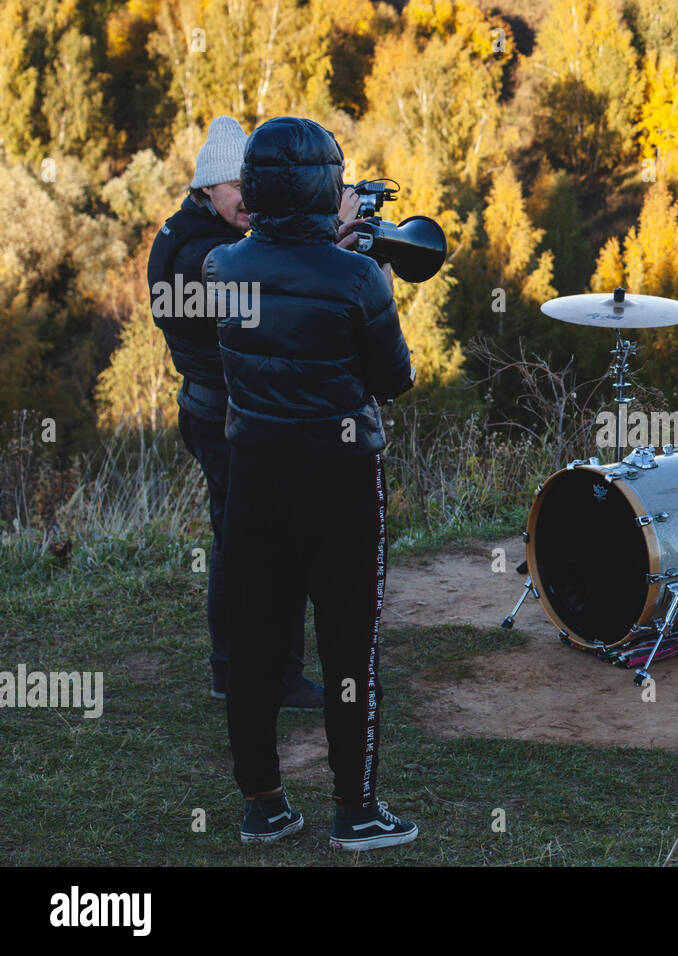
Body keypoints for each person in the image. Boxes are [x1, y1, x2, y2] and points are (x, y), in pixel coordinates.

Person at [205, 116, 418, 850]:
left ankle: (262, 804)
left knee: (257, 643)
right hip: (340, 478)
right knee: (349, 649)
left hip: (254, 475)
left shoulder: (221, 267)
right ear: (328, 186)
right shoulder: (357, 275)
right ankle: (355, 811)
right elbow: (394, 380)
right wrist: (371, 271)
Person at [147, 116, 325, 709]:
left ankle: (240, 671)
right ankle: (261, 676)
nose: (249, 199)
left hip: (216, 411)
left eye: (252, 184)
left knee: (240, 541)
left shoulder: (187, 231)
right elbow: (261, 298)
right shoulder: (201, 252)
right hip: (228, 417)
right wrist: (326, 249)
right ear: (207, 188)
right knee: (252, 544)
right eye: (235, 188)